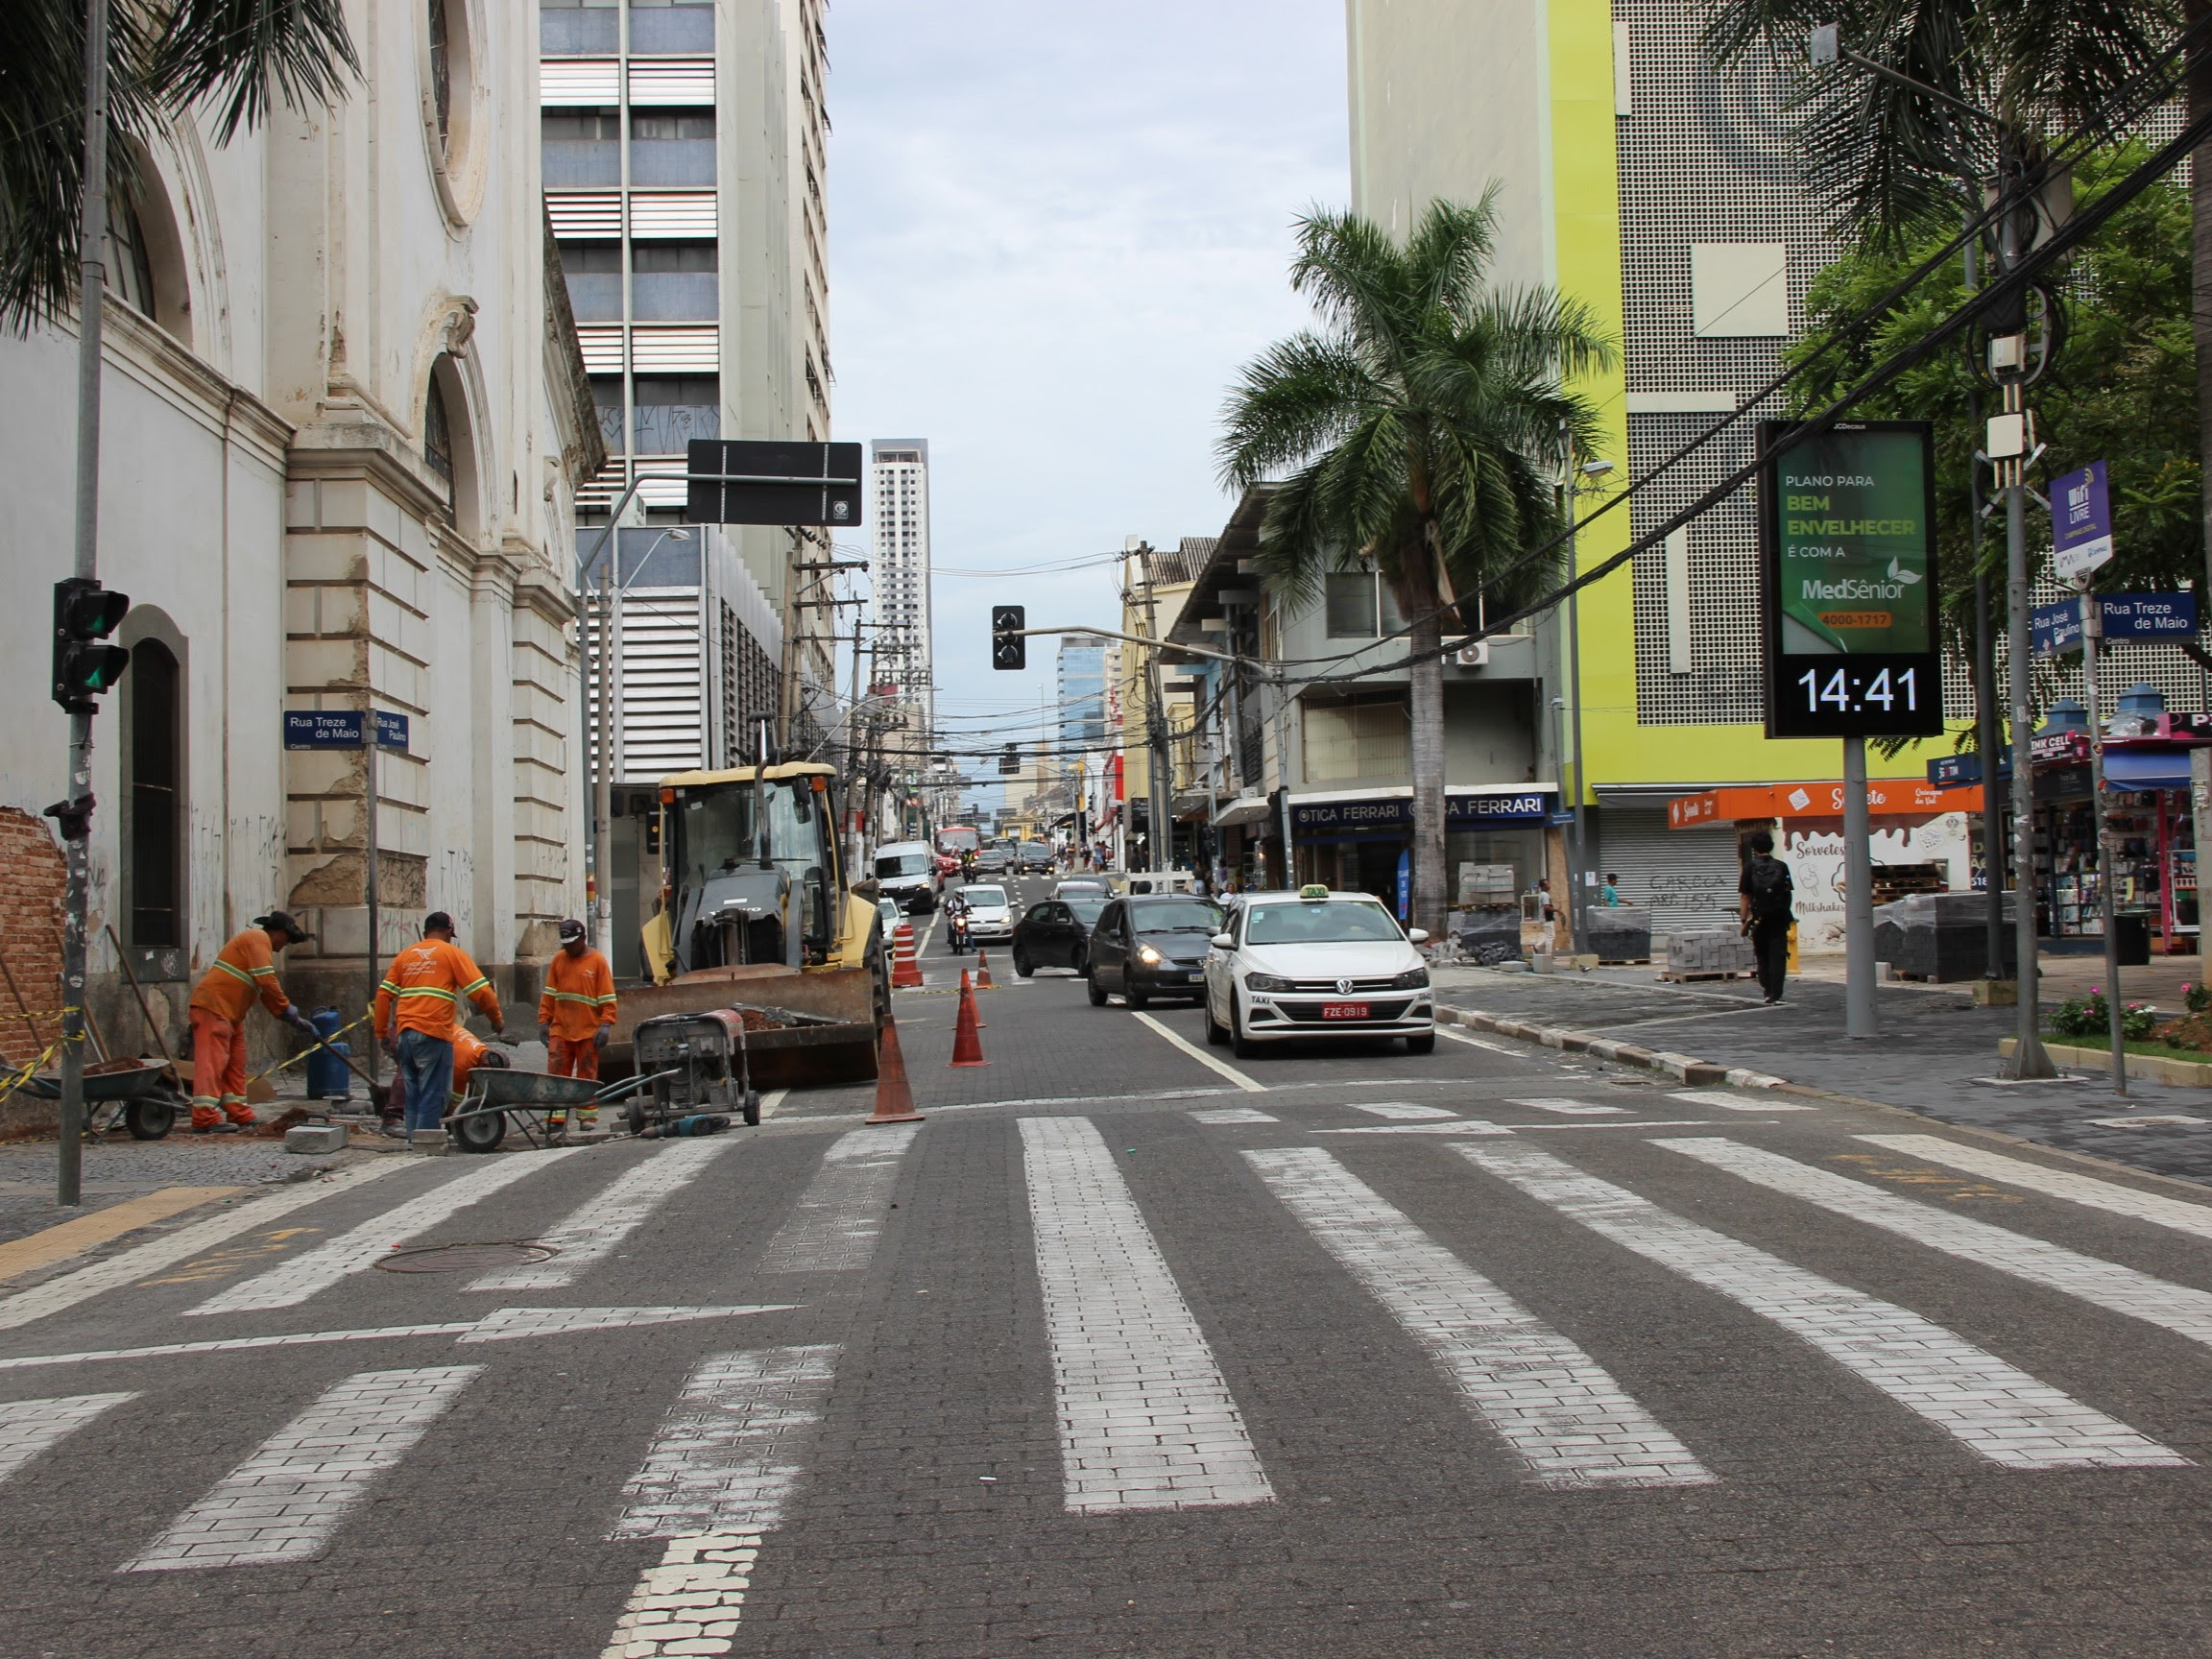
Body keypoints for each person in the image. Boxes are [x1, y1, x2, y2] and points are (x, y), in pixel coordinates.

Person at [374, 911, 504, 1146]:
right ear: (447, 932)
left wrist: (382, 1032)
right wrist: (496, 1020)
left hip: (405, 1034)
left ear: (426, 932)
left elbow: (383, 995)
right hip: (434, 1034)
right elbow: (482, 992)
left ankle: (415, 1141)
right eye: (450, 935)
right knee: (433, 1093)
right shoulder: (451, 954)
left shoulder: (405, 956)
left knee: (413, 1093)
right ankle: (427, 1142)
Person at [184, 912, 319, 1133]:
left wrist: (288, 1016)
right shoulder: (257, 938)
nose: (284, 946)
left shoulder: (259, 945)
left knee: (236, 1064)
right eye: (286, 940)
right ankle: (204, 1118)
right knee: (212, 1063)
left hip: (231, 1013)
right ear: (278, 932)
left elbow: (266, 991)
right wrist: (288, 1011)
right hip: (213, 1007)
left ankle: (238, 1112)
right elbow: (266, 980)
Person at [539, 918, 617, 1135]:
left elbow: (608, 996)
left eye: (572, 942)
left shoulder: (597, 962)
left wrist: (606, 1024)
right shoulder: (558, 961)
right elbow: (549, 994)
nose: (568, 947)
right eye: (565, 943)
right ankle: (556, 1118)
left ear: (583, 938)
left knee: (587, 1074)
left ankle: (587, 1116)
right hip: (561, 1029)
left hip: (588, 1031)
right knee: (556, 1074)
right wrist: (544, 1021)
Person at [1739, 830, 1795, 1005]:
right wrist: (1785, 912)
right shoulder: (1782, 866)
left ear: (1754, 848)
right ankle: (1777, 994)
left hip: (1759, 918)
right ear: (1771, 846)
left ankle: (1767, 991)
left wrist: (1744, 919)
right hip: (1779, 917)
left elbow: (1745, 896)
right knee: (1778, 955)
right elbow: (1788, 891)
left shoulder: (1749, 867)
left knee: (1762, 954)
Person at [943, 886, 972, 953]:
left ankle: (972, 945)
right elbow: (948, 909)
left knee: (967, 929)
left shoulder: (965, 901)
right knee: (949, 925)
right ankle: (949, 939)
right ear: (956, 894)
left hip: (962, 917)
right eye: (960, 894)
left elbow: (967, 907)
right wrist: (949, 911)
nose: (961, 896)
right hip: (953, 917)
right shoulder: (951, 901)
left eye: (962, 894)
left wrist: (969, 911)